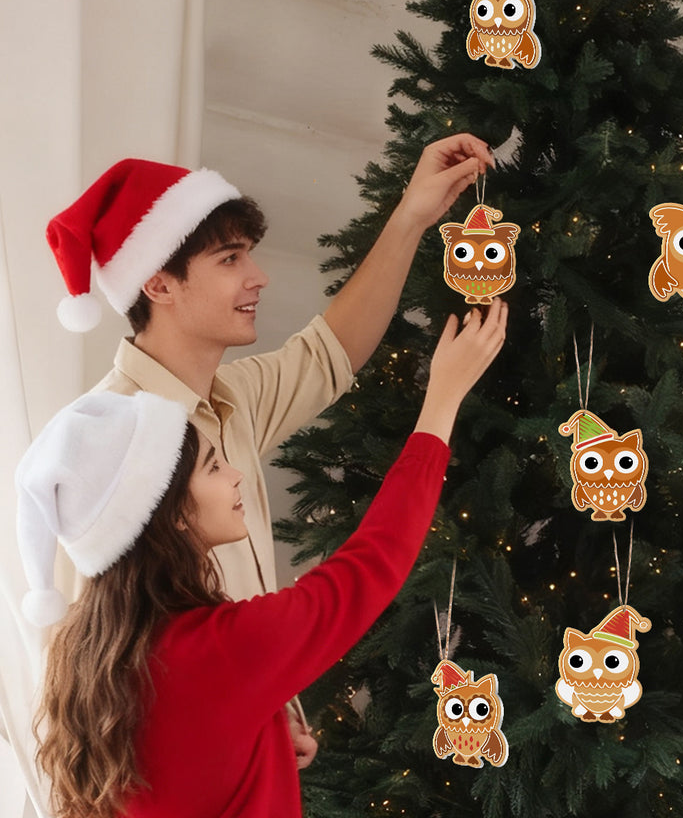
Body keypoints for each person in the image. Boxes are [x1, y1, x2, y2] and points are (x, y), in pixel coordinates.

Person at [43, 134, 493, 765]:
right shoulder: (106, 444)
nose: (258, 277)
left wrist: (413, 215)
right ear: (159, 283)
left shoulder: (233, 398)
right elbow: (92, 670)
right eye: (230, 259)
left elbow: (331, 352)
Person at [17, 299, 508, 818]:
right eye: (212, 466)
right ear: (172, 514)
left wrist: (263, 736)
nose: (235, 475)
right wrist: (443, 398)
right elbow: (372, 561)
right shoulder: (217, 651)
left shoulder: (91, 651)